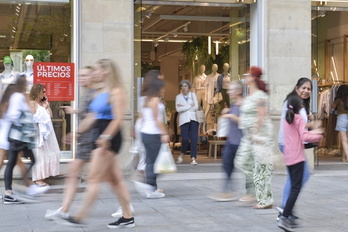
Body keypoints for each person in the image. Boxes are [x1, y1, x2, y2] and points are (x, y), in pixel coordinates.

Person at [60, 59, 134, 229]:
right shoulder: (99, 92)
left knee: (93, 178)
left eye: (97, 70)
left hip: (109, 138)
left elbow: (117, 118)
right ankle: (127, 216)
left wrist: (106, 137)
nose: (94, 74)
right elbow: (92, 117)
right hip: (100, 137)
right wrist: (77, 132)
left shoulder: (116, 92)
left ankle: (78, 216)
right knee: (115, 180)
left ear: (106, 71)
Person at [277, 95, 323, 232]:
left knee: (293, 186)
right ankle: (284, 216)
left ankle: (286, 215)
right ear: (300, 107)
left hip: (289, 156)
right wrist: (319, 135)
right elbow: (304, 136)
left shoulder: (287, 117)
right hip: (297, 157)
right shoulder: (298, 118)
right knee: (295, 188)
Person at [3, 75, 49, 204]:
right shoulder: (18, 96)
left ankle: (9, 192)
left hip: (16, 137)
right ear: (22, 84)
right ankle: (24, 187)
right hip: (20, 137)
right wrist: (22, 126)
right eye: (26, 83)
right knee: (32, 160)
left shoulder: (17, 96)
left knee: (11, 163)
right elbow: (13, 115)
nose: (27, 85)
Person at [234, 66, 274, 209]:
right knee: (241, 161)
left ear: (253, 78)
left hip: (260, 136)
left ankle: (265, 199)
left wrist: (256, 132)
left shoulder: (261, 96)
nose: (245, 77)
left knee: (261, 168)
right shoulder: (248, 96)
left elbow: (262, 115)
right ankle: (253, 191)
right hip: (248, 136)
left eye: (248, 75)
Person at [208, 81, 243, 201]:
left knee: (244, 168)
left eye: (231, 90)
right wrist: (228, 112)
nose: (228, 92)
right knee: (227, 164)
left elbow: (244, 121)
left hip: (240, 142)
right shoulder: (233, 105)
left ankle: (252, 192)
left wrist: (230, 116)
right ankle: (228, 191)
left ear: (238, 91)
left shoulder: (243, 105)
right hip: (231, 140)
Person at [139, 70, 169, 198]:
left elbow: (143, 117)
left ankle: (151, 187)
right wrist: (164, 133)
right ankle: (150, 189)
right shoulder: (155, 100)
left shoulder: (145, 98)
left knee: (151, 161)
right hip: (153, 133)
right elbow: (157, 119)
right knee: (155, 163)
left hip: (146, 132)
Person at [29, 84, 60, 186]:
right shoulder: (32, 103)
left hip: (47, 132)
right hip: (38, 132)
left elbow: (50, 115)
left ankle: (44, 176)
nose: (44, 94)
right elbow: (32, 118)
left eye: (45, 92)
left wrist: (47, 106)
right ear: (37, 92)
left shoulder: (43, 103)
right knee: (39, 154)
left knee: (47, 152)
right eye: (43, 92)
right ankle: (38, 178)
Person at [0, 84, 27, 186]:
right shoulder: (10, 104)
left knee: (9, 163)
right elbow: (16, 119)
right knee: (19, 162)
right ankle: (29, 186)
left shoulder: (4, 104)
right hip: (12, 137)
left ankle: (28, 186)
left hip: (4, 137)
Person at [175, 80, 199, 165]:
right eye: (182, 86)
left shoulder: (193, 95)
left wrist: (184, 107)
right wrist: (189, 106)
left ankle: (193, 158)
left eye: (185, 86)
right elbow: (178, 109)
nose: (183, 88)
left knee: (194, 138)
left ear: (189, 87)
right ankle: (182, 152)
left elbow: (196, 107)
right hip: (184, 120)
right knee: (185, 138)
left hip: (193, 119)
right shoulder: (178, 97)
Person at [332, 85, 348, 162]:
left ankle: (347, 156)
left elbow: (332, 106)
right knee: (346, 140)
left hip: (342, 118)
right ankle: (343, 157)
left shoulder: (338, 99)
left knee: (344, 140)